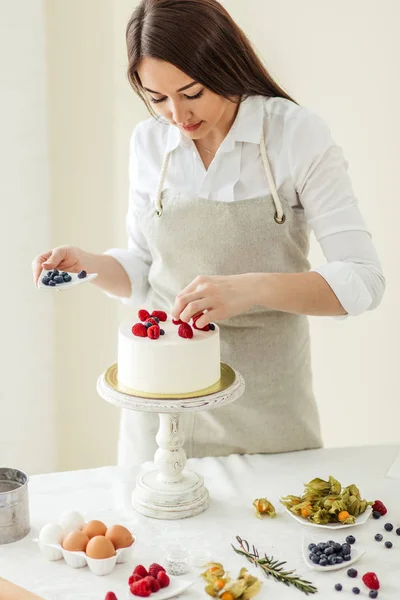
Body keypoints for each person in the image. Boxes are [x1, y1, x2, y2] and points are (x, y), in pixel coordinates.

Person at [32, 0, 385, 466]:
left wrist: (252, 288)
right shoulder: (150, 141)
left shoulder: (295, 136)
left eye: (192, 92)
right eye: (157, 99)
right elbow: (143, 268)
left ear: (224, 64)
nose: (177, 115)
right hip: (158, 416)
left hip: (266, 415)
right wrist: (90, 265)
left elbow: (363, 281)